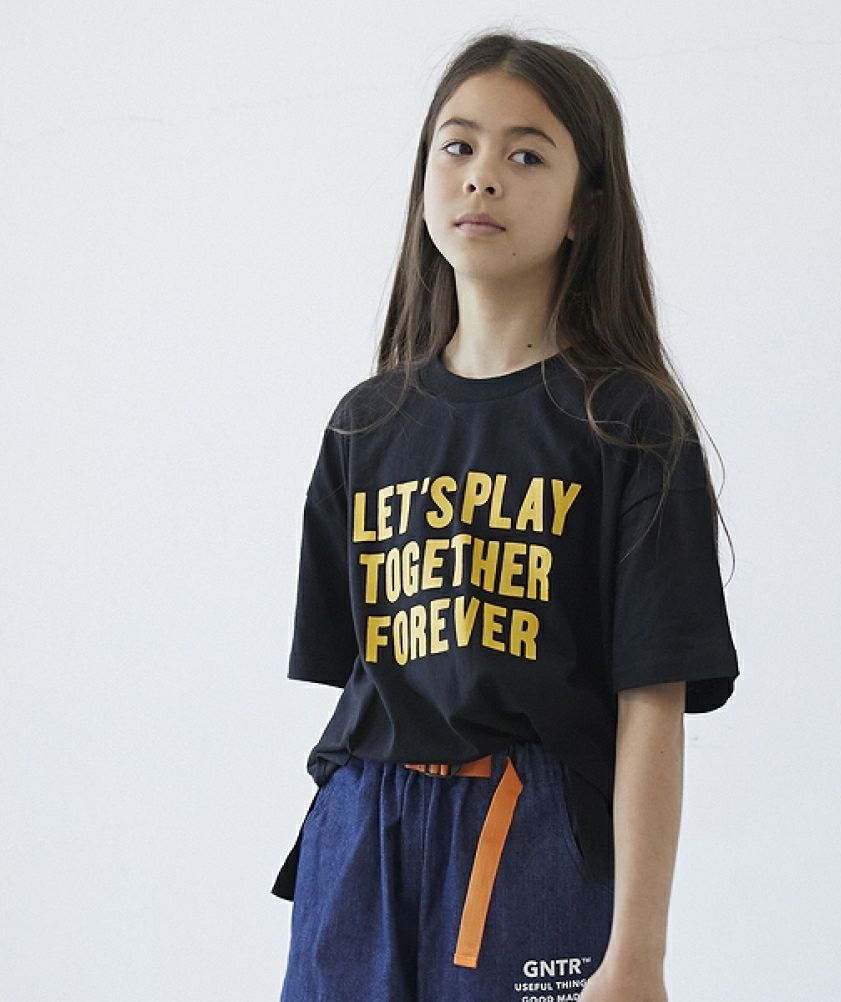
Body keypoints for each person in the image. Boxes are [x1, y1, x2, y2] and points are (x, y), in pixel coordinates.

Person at [273, 28, 740, 1002]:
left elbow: (652, 702)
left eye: (527, 155)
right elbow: (358, 674)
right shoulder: (366, 425)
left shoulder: (626, 423)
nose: (483, 175)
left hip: (530, 842)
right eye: (459, 145)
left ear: (586, 209)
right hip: (361, 838)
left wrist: (639, 951)